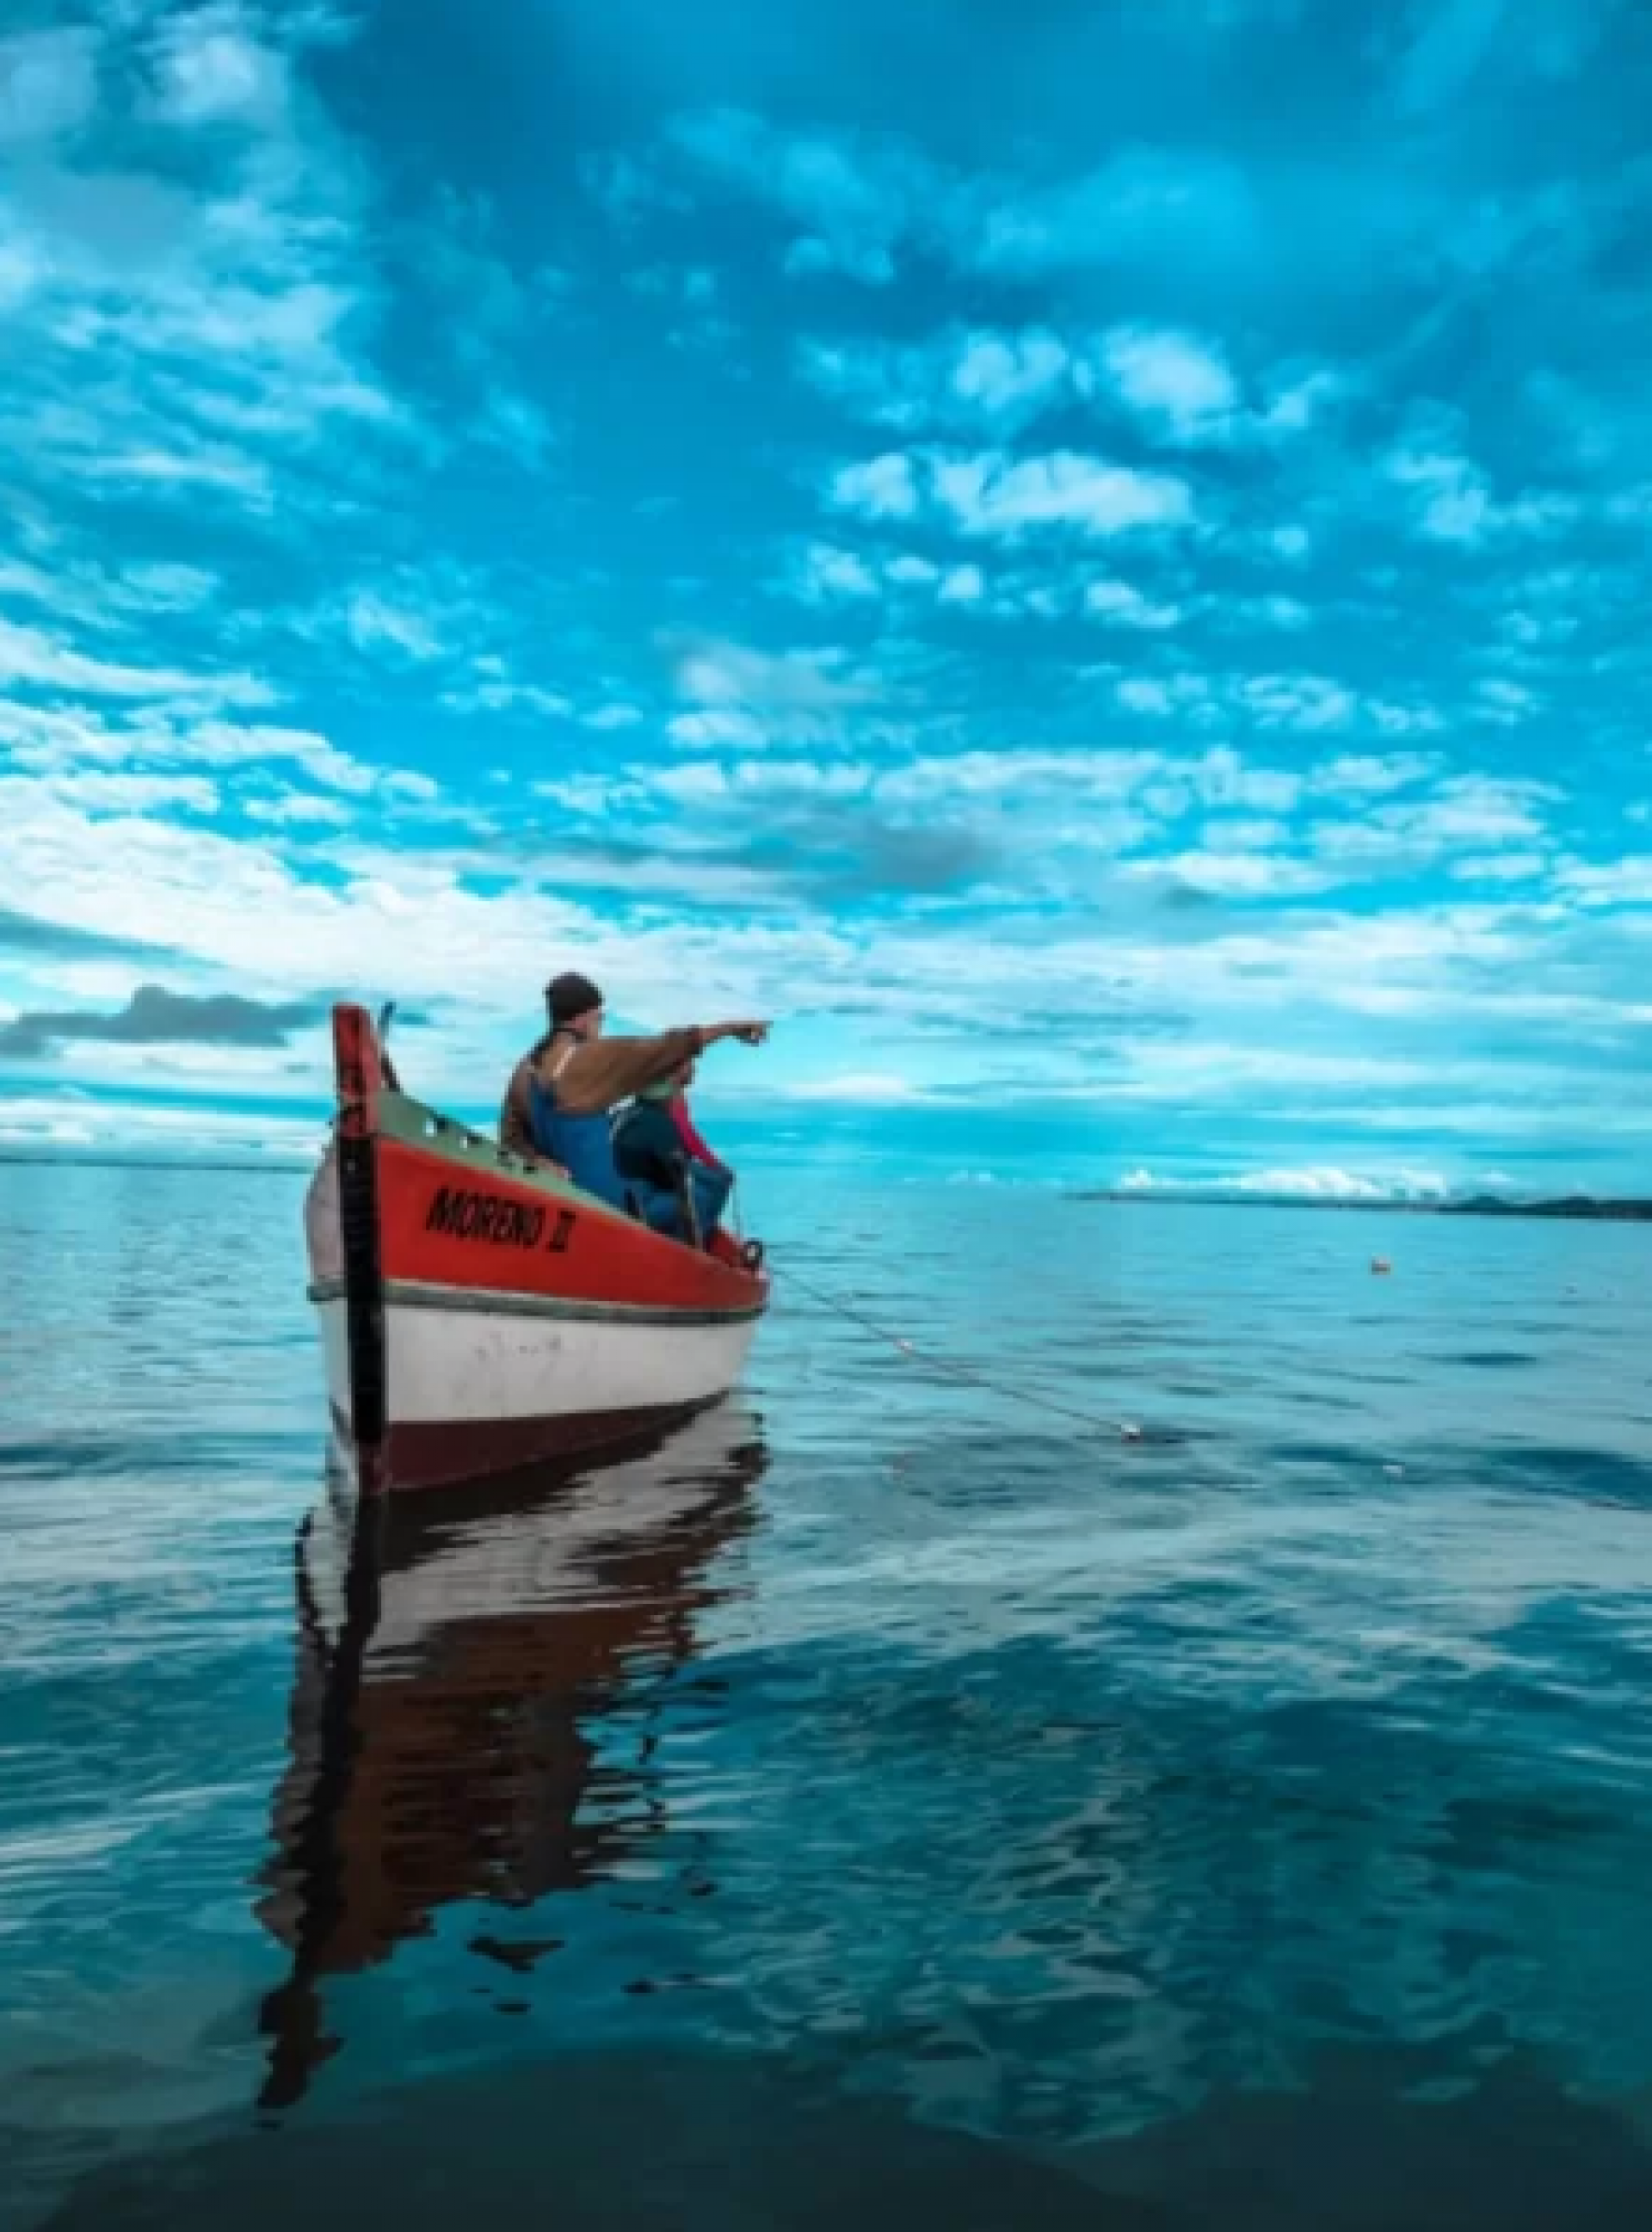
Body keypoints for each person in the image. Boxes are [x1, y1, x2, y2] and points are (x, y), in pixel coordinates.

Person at [499, 971, 767, 1210]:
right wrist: (730, 1028)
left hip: (558, 1200)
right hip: (603, 1211)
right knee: (704, 1191)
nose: (600, 1024)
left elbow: (510, 1139)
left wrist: (539, 1162)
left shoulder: (526, 1068)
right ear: (583, 1018)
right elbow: (671, 1046)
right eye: (599, 1017)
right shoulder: (595, 1058)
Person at [613, 1059, 734, 1248]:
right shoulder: (659, 1121)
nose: (694, 1069)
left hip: (624, 1189)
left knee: (705, 1185)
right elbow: (677, 1168)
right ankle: (692, 1251)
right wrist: (713, 1167)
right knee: (703, 1195)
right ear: (665, 1098)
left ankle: (696, 1238)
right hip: (638, 1200)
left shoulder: (623, 1115)